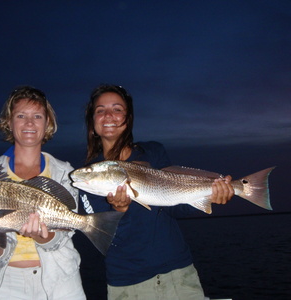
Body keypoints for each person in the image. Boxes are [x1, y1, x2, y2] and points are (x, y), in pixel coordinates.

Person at [73, 84, 234, 300]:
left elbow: (175, 209)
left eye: (117, 109)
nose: (108, 115)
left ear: (128, 118)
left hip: (179, 273)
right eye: (100, 110)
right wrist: (119, 210)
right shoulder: (89, 178)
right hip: (129, 284)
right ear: (92, 122)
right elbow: (103, 237)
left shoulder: (153, 152)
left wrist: (211, 195)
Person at [0, 86, 86, 300]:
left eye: (37, 116)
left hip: (60, 281)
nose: (30, 123)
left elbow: (64, 234)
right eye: (21, 116)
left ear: (47, 123)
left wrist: (42, 235)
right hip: (5, 284)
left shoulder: (65, 173)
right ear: (9, 122)